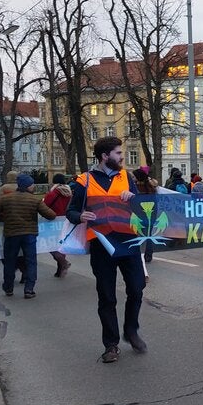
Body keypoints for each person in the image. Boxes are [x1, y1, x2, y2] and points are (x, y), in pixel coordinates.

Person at [66, 136, 146, 363]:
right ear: (105, 156)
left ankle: (131, 331)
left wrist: (133, 198)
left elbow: (140, 208)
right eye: (118, 154)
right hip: (102, 245)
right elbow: (71, 212)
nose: (122, 157)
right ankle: (111, 344)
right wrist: (80, 216)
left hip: (128, 241)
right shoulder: (85, 180)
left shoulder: (127, 177)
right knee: (107, 296)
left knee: (137, 288)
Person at [0, 174, 57, 298]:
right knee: (31, 262)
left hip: (11, 234)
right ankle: (29, 289)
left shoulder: (6, 199)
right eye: (32, 184)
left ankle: (8, 288)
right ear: (28, 186)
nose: (33, 186)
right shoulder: (35, 200)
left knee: (10, 261)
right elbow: (51, 215)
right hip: (29, 235)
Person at [44, 173, 73, 276]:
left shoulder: (52, 194)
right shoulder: (70, 194)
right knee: (61, 245)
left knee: (50, 246)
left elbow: (44, 207)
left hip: (52, 222)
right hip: (65, 222)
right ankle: (60, 268)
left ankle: (63, 263)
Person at [131, 167, 157, 263]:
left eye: (134, 176)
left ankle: (138, 254)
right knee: (148, 235)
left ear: (138, 178)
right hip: (150, 215)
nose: (132, 178)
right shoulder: (151, 188)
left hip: (138, 215)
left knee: (138, 235)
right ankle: (148, 254)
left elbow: (133, 202)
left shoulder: (135, 188)